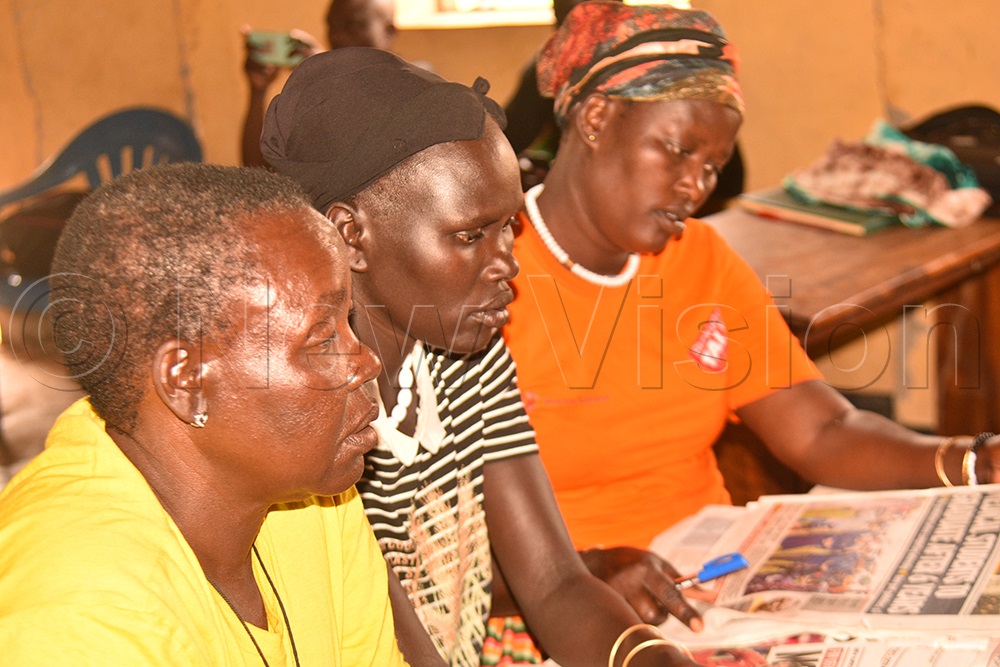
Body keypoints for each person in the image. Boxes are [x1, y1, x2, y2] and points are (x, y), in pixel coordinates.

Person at [502, 0, 1000, 626]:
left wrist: (973, 460)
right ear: (597, 117)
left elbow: (821, 432)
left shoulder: (699, 258)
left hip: (710, 585)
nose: (696, 186)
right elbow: (424, 540)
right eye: (678, 151)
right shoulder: (490, 276)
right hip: (554, 610)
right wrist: (587, 570)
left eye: (711, 166)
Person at [261, 47, 704, 667]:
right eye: (471, 235)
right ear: (350, 235)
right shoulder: (311, 424)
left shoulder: (464, 356)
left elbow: (554, 582)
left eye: (510, 229)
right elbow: (396, 645)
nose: (508, 266)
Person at [0, 164, 414, 664]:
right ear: (187, 383)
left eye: (348, 324)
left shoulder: (314, 496)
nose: (367, 362)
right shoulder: (79, 615)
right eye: (323, 338)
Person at [502, 0, 742, 210]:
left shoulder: (666, 66)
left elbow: (731, 181)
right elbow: (508, 143)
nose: (696, 187)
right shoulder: (548, 75)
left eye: (711, 167)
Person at [240, 0, 397, 167]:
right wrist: (258, 91)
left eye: (352, 24)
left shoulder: (416, 84)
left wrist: (331, 73)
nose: (338, 36)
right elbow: (260, 169)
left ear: (389, 31)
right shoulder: (321, 95)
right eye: (331, 25)